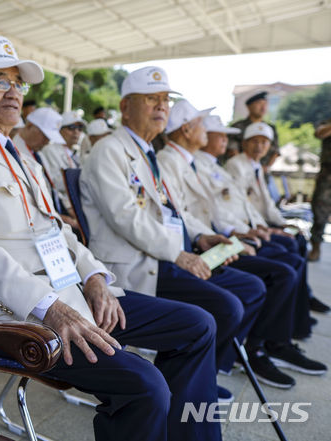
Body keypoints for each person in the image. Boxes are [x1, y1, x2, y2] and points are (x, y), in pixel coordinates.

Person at [0, 35, 220, 441]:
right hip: (14, 314)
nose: (15, 93)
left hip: (70, 294)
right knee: (145, 386)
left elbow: (56, 231)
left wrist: (96, 277)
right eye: (1, 81)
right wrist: (52, 308)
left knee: (197, 325)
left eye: (19, 83)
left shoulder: (18, 153)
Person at [81, 66, 268, 403]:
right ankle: (182, 389)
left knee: (237, 297)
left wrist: (201, 238)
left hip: (164, 255)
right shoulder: (109, 151)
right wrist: (181, 254)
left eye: (165, 100)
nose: (161, 106)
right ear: (125, 107)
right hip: (138, 263)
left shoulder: (146, 152)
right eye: (151, 99)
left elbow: (174, 211)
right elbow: (127, 219)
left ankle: (183, 386)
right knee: (222, 309)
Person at [158, 101, 326, 388]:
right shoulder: (173, 162)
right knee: (275, 274)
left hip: (207, 241)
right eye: (212, 130)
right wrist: (220, 238)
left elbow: (206, 212)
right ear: (187, 130)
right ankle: (253, 350)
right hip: (186, 250)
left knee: (286, 259)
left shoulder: (187, 162)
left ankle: (261, 345)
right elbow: (182, 215)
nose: (225, 139)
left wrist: (243, 231)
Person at [225, 122, 327, 337]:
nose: (259, 146)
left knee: (296, 239)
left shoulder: (256, 166)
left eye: (264, 142)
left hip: (256, 224)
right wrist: (263, 229)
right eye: (255, 141)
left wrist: (281, 223)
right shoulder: (237, 165)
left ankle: (299, 308)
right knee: (289, 252)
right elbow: (239, 206)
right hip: (245, 228)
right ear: (244, 143)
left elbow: (267, 205)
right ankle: (282, 331)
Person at [227, 91, 278, 157]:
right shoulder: (237, 127)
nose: (263, 108)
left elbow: (276, 151)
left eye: (265, 104)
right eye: (259, 103)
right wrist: (242, 165)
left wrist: (265, 167)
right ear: (249, 106)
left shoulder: (270, 128)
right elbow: (232, 149)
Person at [309, 117, 331, 262]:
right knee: (319, 211)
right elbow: (319, 133)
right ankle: (315, 247)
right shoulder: (326, 121)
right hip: (327, 174)